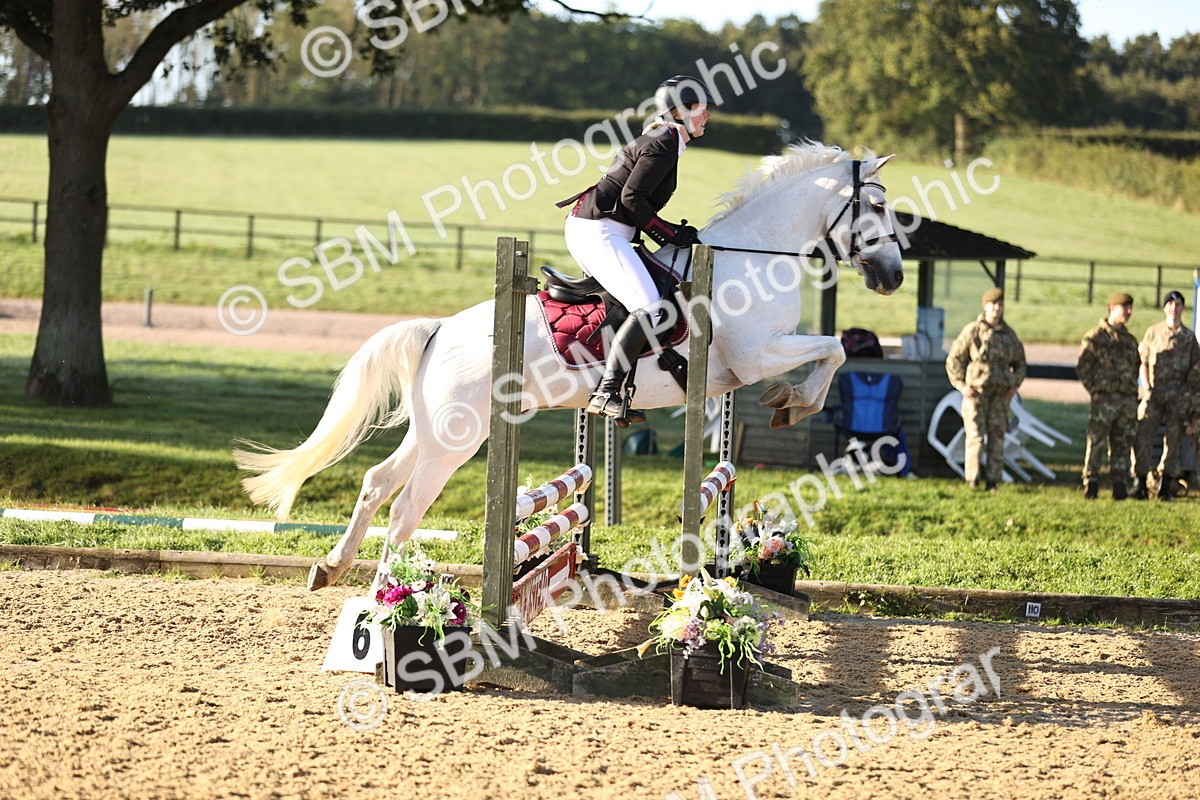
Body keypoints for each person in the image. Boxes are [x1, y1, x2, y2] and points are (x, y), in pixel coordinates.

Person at [557, 75, 716, 424]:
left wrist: (669, 230)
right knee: (650, 307)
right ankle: (606, 392)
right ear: (681, 111)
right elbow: (632, 198)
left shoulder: (666, 138)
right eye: (703, 110)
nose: (708, 117)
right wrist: (667, 233)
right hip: (599, 231)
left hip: (603, 228)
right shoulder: (663, 141)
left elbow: (633, 200)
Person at [945, 288, 1027, 491]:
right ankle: (973, 480)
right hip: (976, 394)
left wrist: (1013, 385)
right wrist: (962, 386)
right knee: (975, 437)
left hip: (1000, 395)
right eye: (993, 304)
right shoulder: (972, 331)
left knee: (997, 437)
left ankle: (993, 481)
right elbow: (954, 359)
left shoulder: (1009, 335)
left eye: (1000, 304)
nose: (997, 308)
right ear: (985, 306)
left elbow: (1020, 363)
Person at [1132, 290, 1200, 500]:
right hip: (1154, 394)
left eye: (1178, 304)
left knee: (1173, 441)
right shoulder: (1153, 332)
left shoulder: (1189, 338)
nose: (1174, 308)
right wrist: (1146, 386)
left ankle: (1166, 484)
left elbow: (1196, 368)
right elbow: (1142, 359)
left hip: (1178, 397)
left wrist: (1187, 395)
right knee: (1143, 435)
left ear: (1182, 308)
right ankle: (1140, 481)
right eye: (1170, 304)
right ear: (1164, 308)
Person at [1076, 293, 1139, 499]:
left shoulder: (1130, 341)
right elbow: (1083, 366)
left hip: (1126, 399)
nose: (1128, 312)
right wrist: (1093, 389)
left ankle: (1119, 484)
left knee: (1122, 443)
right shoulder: (1095, 337)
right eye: (1124, 308)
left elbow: (1136, 367)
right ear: (1111, 308)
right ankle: (1091, 482)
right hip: (1104, 399)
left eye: (1130, 308)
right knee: (1096, 441)